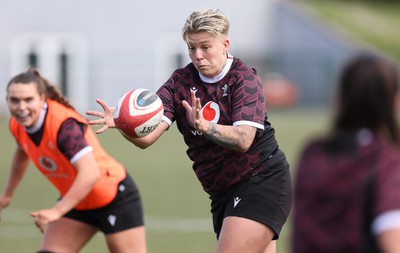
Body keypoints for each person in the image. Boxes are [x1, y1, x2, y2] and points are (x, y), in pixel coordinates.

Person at [87, 8, 292, 253]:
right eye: (191, 48)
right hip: (221, 191)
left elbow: (244, 140)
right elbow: (147, 139)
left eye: (206, 47)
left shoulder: (244, 79)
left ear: (225, 44)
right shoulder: (180, 82)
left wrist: (206, 127)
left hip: (261, 179)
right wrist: (125, 124)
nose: (198, 55)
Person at [0, 68, 147, 253]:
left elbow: (90, 173)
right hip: (77, 200)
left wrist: (57, 211)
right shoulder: (17, 124)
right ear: (7, 100)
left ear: (42, 98)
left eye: (28, 100)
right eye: (15, 100)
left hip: (114, 198)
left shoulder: (64, 125)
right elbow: (22, 152)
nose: (21, 107)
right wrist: (6, 195)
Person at [292, 52, 400, 252]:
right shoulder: (385, 162)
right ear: (394, 102)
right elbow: (392, 240)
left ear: (339, 97)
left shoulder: (312, 154)